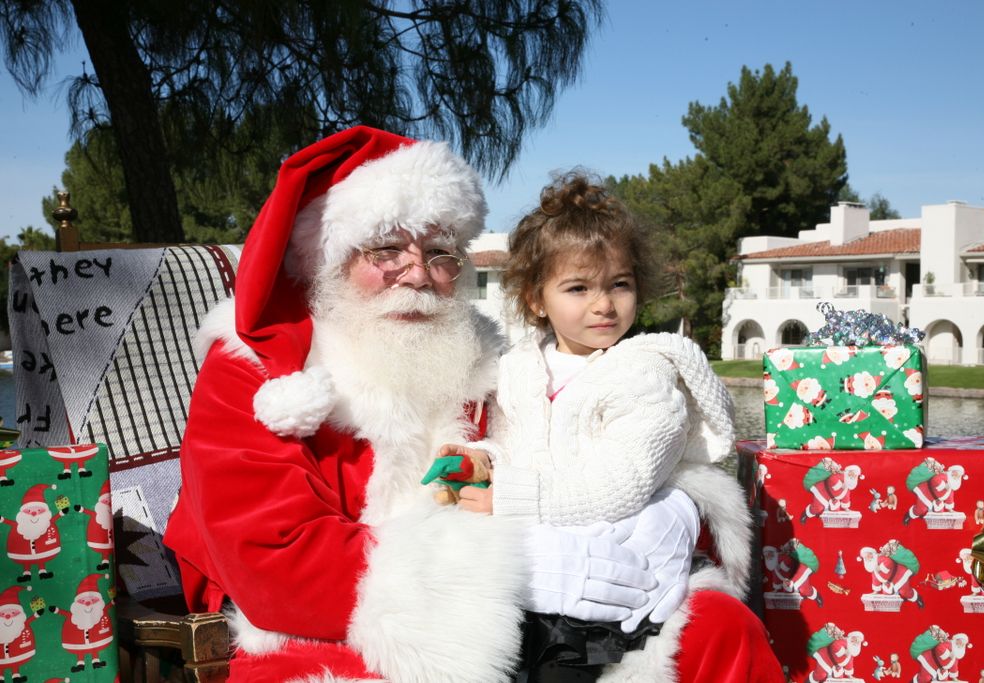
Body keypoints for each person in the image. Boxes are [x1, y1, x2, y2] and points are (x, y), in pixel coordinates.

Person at [163, 126, 782, 682]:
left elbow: (586, 467)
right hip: (341, 621)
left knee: (717, 627)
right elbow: (274, 561)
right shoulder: (260, 371)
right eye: (385, 250)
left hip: (533, 608)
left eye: (439, 254)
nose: (417, 272)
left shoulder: (491, 363)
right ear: (327, 261)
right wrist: (515, 569)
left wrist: (669, 515)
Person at [427, 173, 742, 679]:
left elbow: (624, 484)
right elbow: (520, 446)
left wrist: (506, 496)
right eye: (579, 288)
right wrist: (483, 458)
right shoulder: (521, 368)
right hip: (534, 571)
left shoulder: (645, 374)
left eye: (620, 284)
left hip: (606, 591)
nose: (604, 303)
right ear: (536, 300)